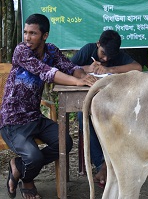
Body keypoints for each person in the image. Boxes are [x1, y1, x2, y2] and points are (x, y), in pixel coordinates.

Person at [0, 13, 97, 199]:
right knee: (34, 158)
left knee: (64, 142)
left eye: (33, 33)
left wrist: (82, 77)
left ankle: (18, 166)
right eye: (26, 33)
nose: (27, 38)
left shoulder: (51, 50)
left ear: (45, 35)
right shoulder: (21, 51)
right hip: (13, 121)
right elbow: (47, 72)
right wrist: (77, 83)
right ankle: (27, 180)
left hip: (34, 117)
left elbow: (69, 66)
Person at [71, 29, 142, 187]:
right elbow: (66, 66)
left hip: (112, 104)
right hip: (88, 102)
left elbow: (137, 67)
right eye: (103, 53)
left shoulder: (115, 55)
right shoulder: (88, 50)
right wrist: (86, 69)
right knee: (83, 117)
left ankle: (115, 163)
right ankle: (102, 165)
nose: (105, 58)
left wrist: (110, 70)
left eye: (110, 56)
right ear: (98, 44)